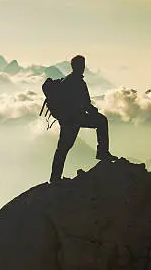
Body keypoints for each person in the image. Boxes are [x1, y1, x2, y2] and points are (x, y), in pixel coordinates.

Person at [50, 55, 117, 183]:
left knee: (63, 148)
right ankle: (102, 152)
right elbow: (85, 103)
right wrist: (94, 112)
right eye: (82, 65)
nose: (83, 67)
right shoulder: (78, 82)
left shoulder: (67, 80)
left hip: (67, 119)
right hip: (75, 119)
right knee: (102, 121)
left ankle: (55, 178)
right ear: (80, 66)